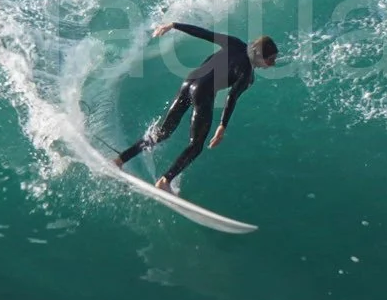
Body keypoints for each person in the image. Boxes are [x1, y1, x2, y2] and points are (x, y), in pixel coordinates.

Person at [117, 21, 278, 194]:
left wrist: (174, 25)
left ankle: (120, 160)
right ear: (259, 55)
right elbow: (232, 97)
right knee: (196, 145)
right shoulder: (246, 73)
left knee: (162, 132)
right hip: (202, 92)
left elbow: (204, 33)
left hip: (188, 82)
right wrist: (222, 126)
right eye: (271, 60)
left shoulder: (235, 42)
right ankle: (165, 181)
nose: (272, 64)